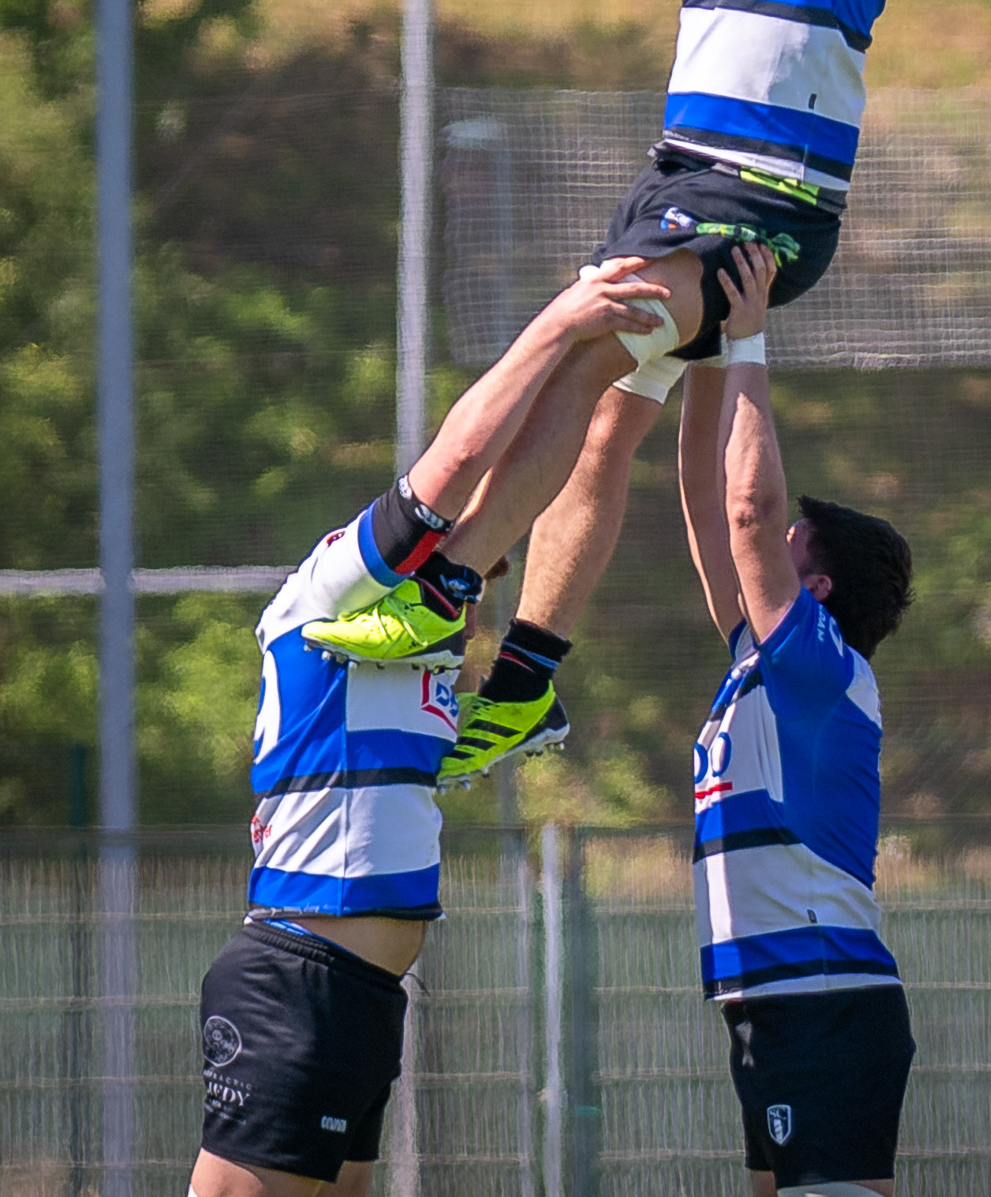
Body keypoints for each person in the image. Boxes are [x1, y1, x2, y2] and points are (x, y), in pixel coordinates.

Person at [305, 0, 932, 787]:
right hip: (681, 175)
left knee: (591, 341)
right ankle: (527, 677)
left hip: (763, 203)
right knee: (600, 428)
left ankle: (445, 582)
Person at [186, 259, 669, 1197]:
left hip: (355, 992)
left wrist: (638, 374)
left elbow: (554, 487)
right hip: (298, 976)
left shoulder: (420, 668)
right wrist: (561, 325)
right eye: (456, 578)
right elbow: (454, 470)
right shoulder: (322, 599)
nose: (468, 599)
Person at [697, 241, 915, 1197]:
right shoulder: (764, 664)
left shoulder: (820, 668)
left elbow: (747, 510)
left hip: (821, 1000)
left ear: (815, 588)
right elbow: (717, 512)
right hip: (780, 1007)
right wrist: (695, 356)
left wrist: (750, 340)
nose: (768, 549)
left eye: (792, 548)